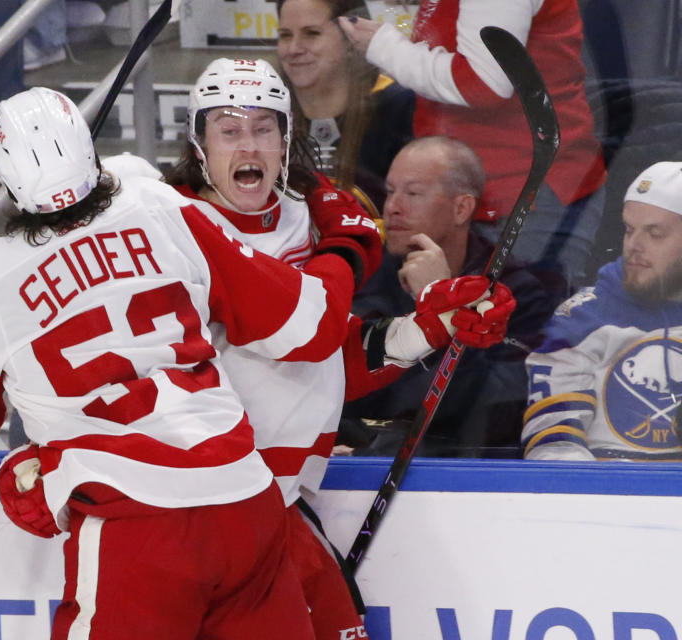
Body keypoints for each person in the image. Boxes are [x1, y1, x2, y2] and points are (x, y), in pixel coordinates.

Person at [0, 86, 361, 639]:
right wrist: (344, 247)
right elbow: (306, 326)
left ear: (3, 180)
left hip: (136, 525)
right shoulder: (162, 208)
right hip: (245, 503)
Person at [162, 59, 516, 637]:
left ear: (286, 139)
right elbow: (300, 332)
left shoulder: (309, 219)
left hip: (282, 505)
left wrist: (431, 325)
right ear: (199, 144)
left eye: (264, 127)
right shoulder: (170, 230)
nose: (248, 142)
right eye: (228, 129)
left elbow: (327, 360)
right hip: (197, 513)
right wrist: (351, 241)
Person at [337, 0, 608, 292]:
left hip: (527, 193)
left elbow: (484, 82)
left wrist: (384, 47)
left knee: (507, 325)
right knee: (444, 318)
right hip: (470, 191)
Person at [344, 136, 555, 457]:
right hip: (367, 465)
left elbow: (493, 407)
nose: (392, 207)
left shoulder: (518, 291)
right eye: (389, 191)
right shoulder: (363, 273)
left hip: (463, 473)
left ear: (461, 208)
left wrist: (443, 303)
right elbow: (349, 386)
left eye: (412, 194)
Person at [522, 161, 682, 461]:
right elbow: (555, 449)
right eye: (629, 229)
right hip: (606, 499)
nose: (634, 244)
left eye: (655, 233)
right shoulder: (584, 318)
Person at [276, 0, 415, 211]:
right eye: (285, 35)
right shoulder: (268, 113)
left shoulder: (399, 108)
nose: (293, 49)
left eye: (312, 33)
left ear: (351, 40)